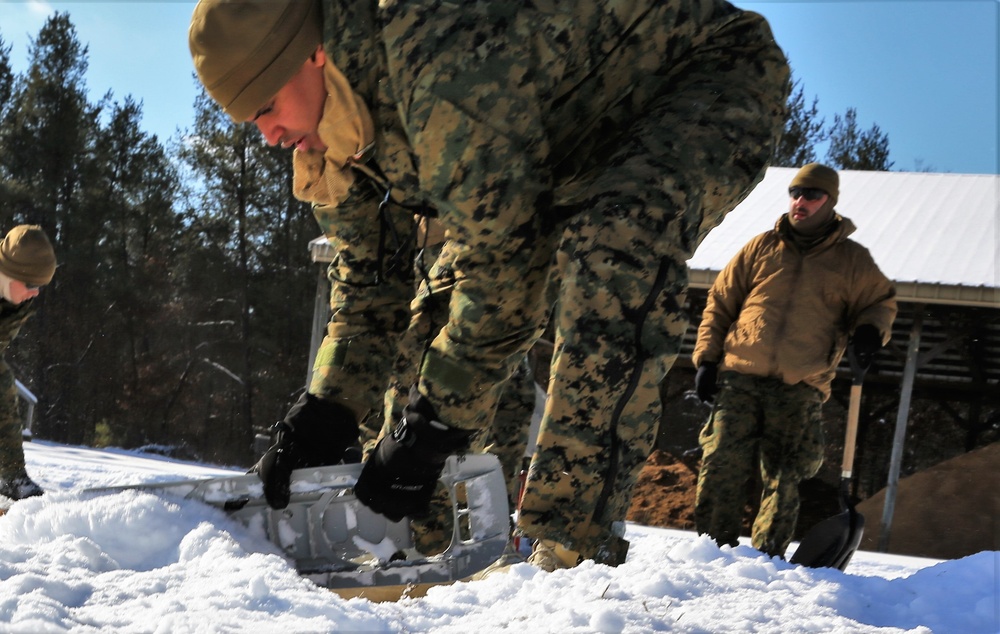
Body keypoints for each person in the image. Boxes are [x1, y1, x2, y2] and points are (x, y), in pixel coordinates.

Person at [189, 0, 790, 570]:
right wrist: (325, 411)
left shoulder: (434, 57)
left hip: (702, 74)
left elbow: (506, 271)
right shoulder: (334, 137)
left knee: (611, 248)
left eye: (267, 106)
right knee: (436, 310)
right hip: (553, 141)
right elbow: (370, 288)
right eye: (251, 121)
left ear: (313, 54)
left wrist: (433, 430)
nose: (267, 134)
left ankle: (572, 553)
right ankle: (414, 542)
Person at [690, 163, 898, 558]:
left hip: (800, 385)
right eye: (796, 193)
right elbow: (719, 304)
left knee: (785, 476)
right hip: (740, 378)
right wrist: (706, 360)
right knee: (720, 465)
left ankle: (766, 558)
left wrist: (870, 330)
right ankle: (712, 553)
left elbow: (879, 303)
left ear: (830, 202)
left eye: (812, 195)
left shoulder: (852, 261)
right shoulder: (760, 247)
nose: (801, 202)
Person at [0, 225, 57, 501]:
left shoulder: (20, 302)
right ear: (9, 273)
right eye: (31, 285)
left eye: (40, 286)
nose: (35, 293)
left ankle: (11, 478)